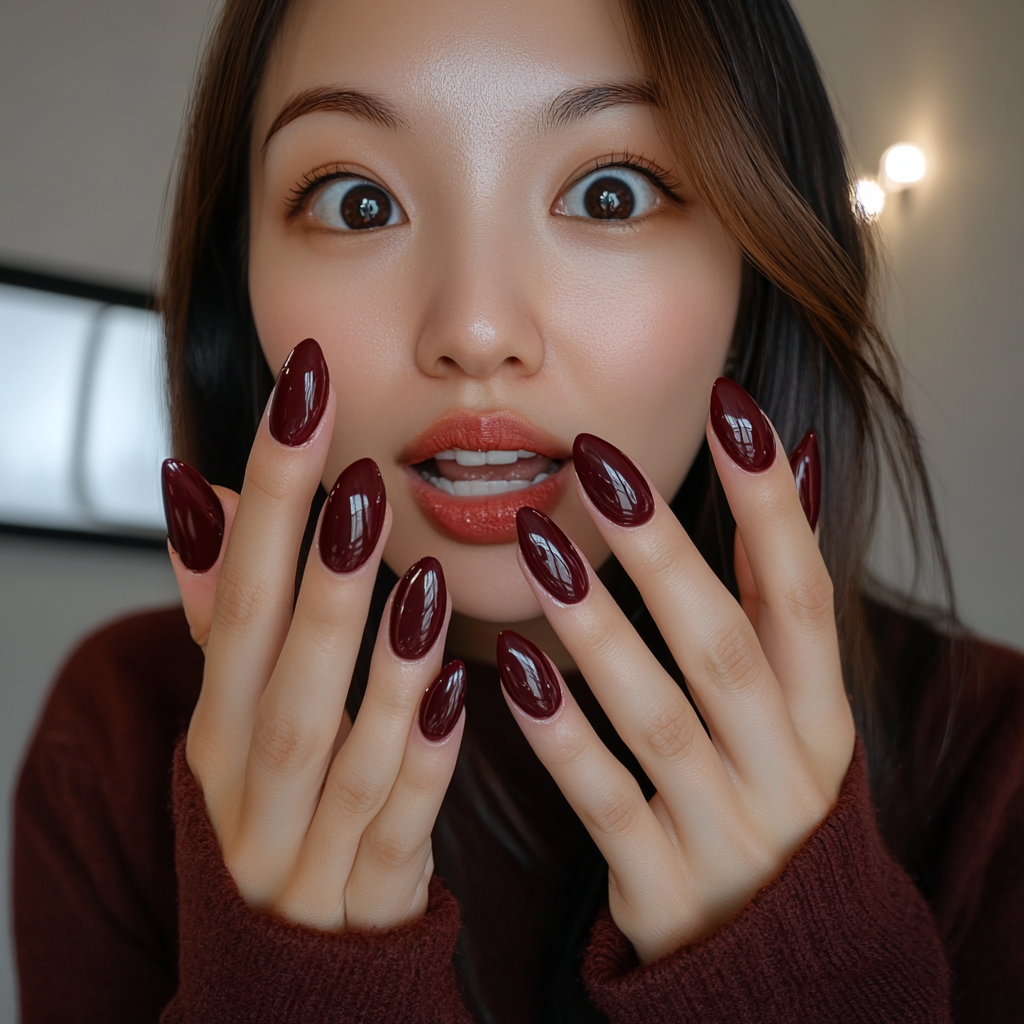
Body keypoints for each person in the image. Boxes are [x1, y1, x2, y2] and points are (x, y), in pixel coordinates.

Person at [13, 0, 1024, 1020]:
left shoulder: (997, 768)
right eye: (358, 202)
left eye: (610, 193)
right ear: (245, 285)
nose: (477, 328)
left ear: (753, 274)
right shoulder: (118, 740)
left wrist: (802, 976)